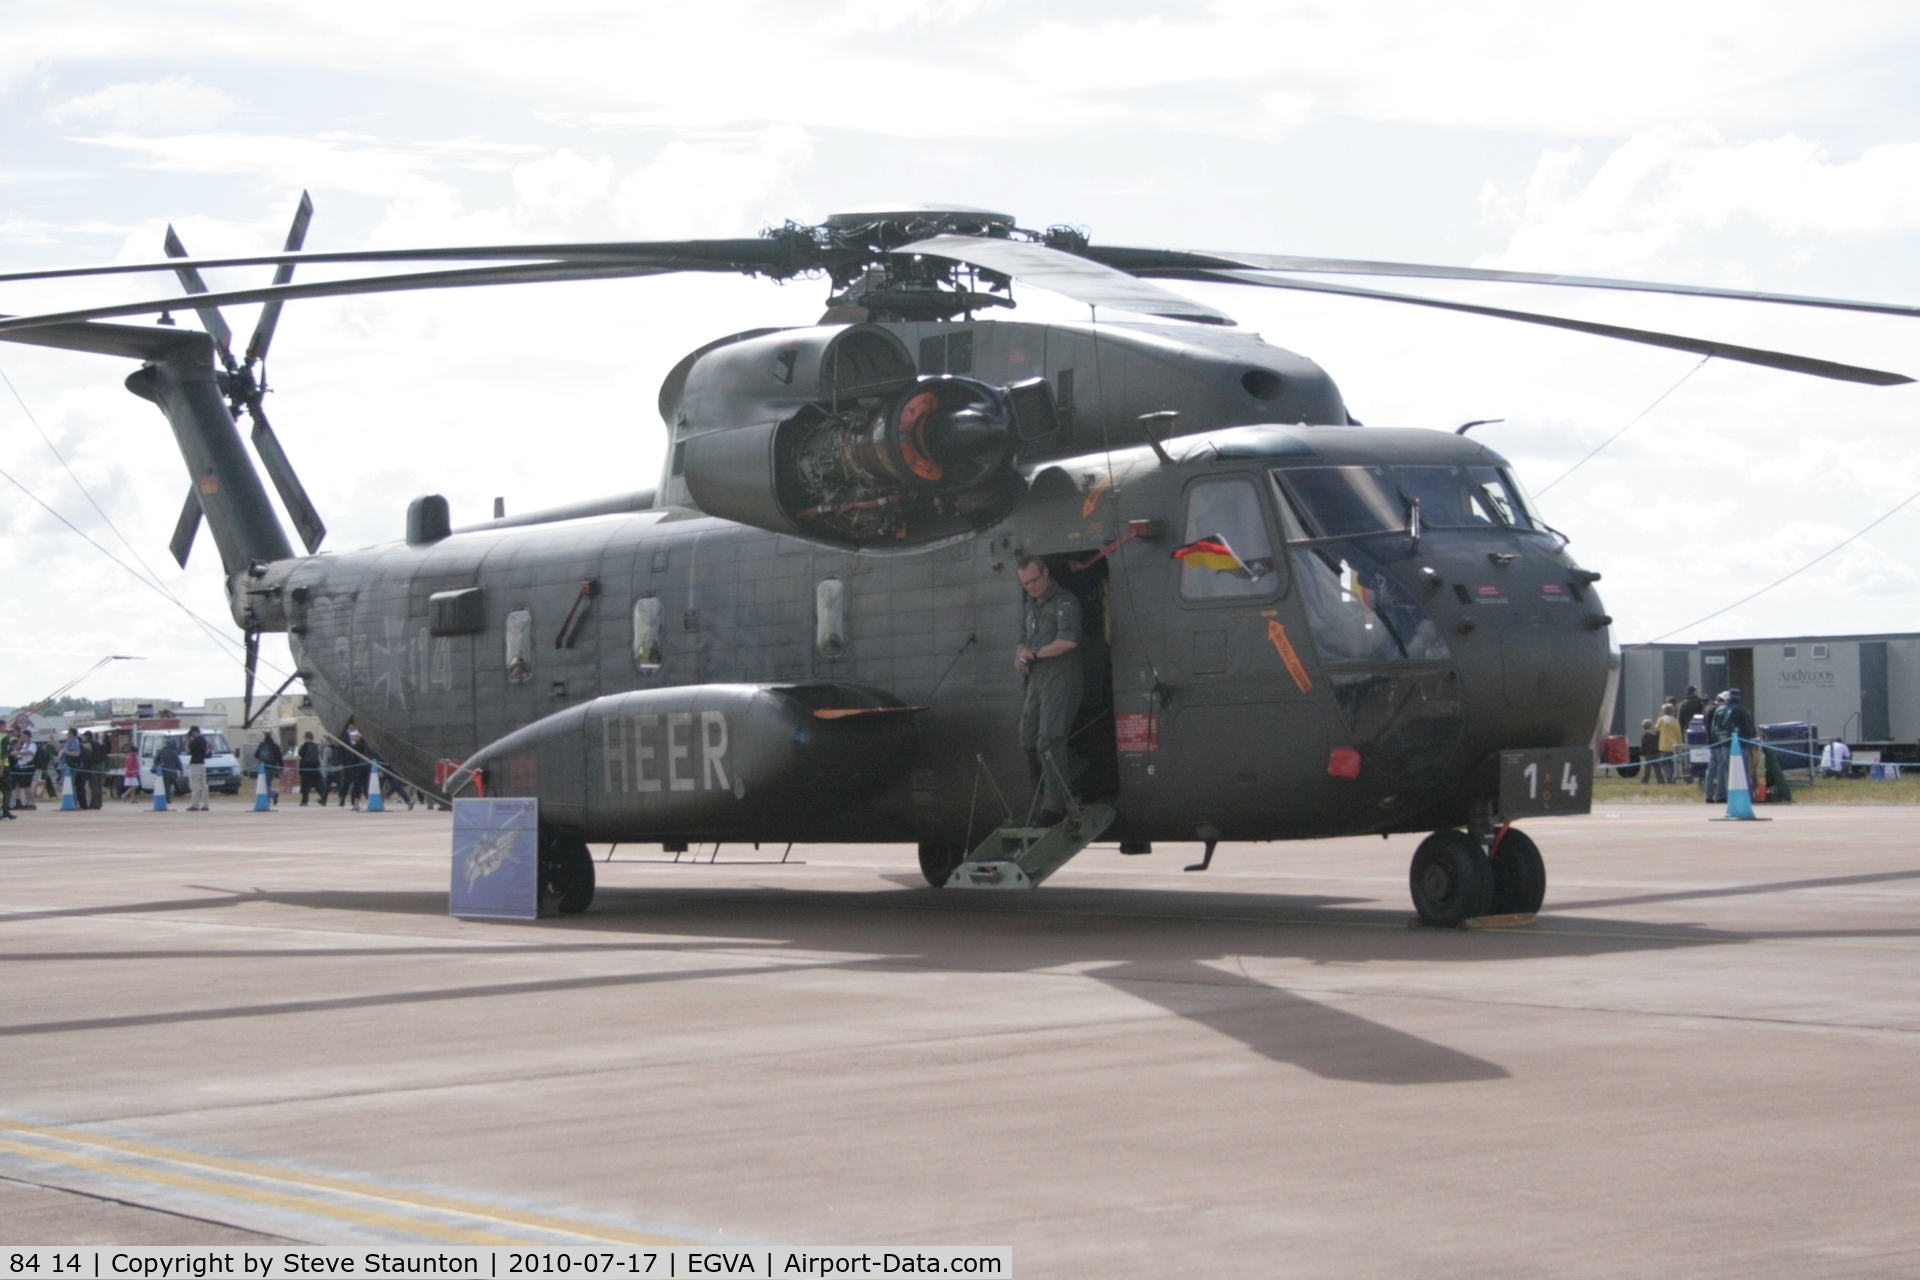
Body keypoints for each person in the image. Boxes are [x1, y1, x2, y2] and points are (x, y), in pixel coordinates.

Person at [1014, 556, 1083, 826]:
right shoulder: (1031, 606)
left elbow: (1068, 641)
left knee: (1050, 740)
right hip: (1037, 677)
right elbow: (1023, 641)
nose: (1030, 586)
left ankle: (1055, 807)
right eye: (1025, 583)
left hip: (1060, 676)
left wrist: (1034, 654)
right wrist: (1020, 655)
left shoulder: (1064, 602)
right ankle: (1075, 772)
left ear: (1046, 573)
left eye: (1034, 580)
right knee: (1028, 737)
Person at [1654, 702, 1683, 784]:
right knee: (1671, 763)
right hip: (1674, 745)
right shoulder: (1675, 721)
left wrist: (1660, 716)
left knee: (1663, 762)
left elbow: (1657, 728)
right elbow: (1678, 733)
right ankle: (1672, 778)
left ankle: (1669, 776)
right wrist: (1679, 744)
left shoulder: (1661, 720)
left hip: (1664, 745)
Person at [253, 733, 284, 808]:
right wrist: (281, 768)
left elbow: (256, 755)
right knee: (268, 784)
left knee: (264, 785)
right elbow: (280, 757)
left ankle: (273, 794)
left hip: (264, 768)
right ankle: (267, 802)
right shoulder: (275, 746)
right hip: (273, 768)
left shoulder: (262, 745)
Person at [185, 726, 211, 811]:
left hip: (195, 764)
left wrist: (187, 740)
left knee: (194, 785)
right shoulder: (204, 740)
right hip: (202, 764)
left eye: (192, 733)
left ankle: (195, 805)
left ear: (194, 732)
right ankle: (205, 804)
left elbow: (188, 751)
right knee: (204, 784)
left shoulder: (195, 742)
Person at [153, 737, 183, 803]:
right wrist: (181, 771)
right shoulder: (174, 752)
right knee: (169, 786)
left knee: (166, 786)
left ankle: (167, 799)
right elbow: (179, 763)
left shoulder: (161, 751)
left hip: (164, 772)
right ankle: (168, 799)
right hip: (173, 773)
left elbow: (155, 760)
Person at [298, 732, 324, 805]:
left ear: (306, 737)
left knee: (305, 786)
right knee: (317, 785)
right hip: (315, 768)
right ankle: (323, 797)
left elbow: (300, 753)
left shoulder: (305, 746)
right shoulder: (315, 746)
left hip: (306, 768)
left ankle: (304, 801)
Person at [1639, 719, 1661, 785]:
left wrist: (1642, 753)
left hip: (1648, 755)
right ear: (1652, 725)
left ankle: (1644, 781)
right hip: (1657, 753)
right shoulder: (1658, 734)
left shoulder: (1645, 736)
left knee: (1647, 770)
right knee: (1658, 770)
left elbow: (1643, 746)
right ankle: (1661, 781)